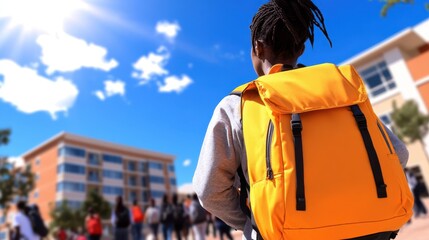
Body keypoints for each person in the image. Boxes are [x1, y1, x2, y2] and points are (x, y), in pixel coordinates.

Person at [192, 0, 410, 239]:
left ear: (258, 47)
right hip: (371, 229)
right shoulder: (341, 90)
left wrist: (253, 222)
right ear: (301, 49)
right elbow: (399, 153)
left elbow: (209, 190)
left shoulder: (239, 102)